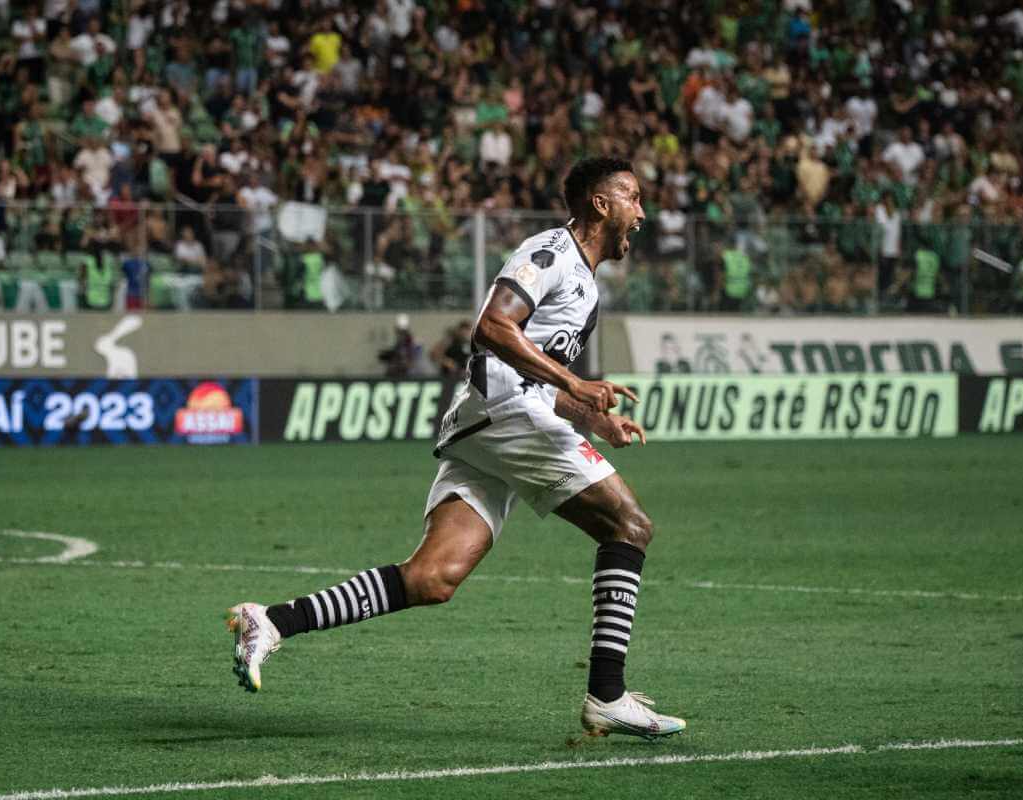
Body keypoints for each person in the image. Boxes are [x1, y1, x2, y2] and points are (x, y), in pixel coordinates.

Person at [227, 157, 685, 740]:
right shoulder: (550, 255)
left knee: (432, 577)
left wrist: (592, 416)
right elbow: (492, 329)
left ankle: (270, 621)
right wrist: (576, 384)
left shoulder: (586, 283)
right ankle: (607, 693)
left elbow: (533, 373)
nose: (642, 212)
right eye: (633, 198)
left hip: (494, 419)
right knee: (629, 525)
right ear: (602, 204)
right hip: (503, 412)